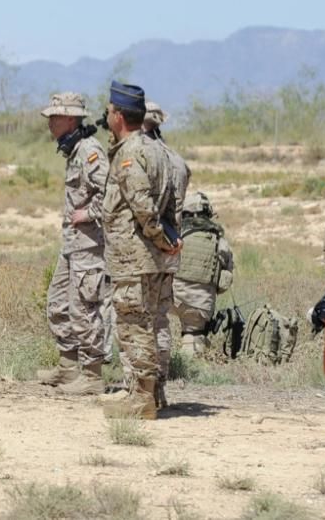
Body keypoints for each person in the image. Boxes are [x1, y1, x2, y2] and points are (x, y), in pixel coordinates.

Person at [99, 81, 180, 419]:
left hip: (135, 256)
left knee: (134, 326)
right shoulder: (158, 149)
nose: (106, 115)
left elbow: (143, 207)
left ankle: (141, 399)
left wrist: (160, 238)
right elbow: (173, 200)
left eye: (109, 110)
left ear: (118, 115)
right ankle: (153, 393)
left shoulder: (131, 153)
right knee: (152, 323)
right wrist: (172, 241)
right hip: (156, 257)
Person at [35, 93, 111, 395]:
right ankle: (68, 369)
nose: (50, 123)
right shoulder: (74, 149)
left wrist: (89, 213)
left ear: (70, 118)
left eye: (55, 117)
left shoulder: (90, 151)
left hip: (89, 246)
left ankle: (91, 377)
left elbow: (113, 193)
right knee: (57, 304)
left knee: (84, 308)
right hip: (72, 244)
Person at [142, 101, 191, 408]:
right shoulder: (177, 161)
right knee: (160, 318)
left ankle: (142, 387)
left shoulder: (142, 157)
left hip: (145, 249)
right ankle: (159, 385)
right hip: (171, 248)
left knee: (138, 319)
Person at [172, 191, 235, 356]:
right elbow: (223, 283)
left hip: (170, 298)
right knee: (194, 337)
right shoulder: (220, 242)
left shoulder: (174, 235)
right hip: (200, 305)